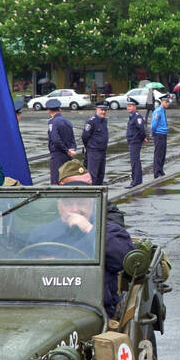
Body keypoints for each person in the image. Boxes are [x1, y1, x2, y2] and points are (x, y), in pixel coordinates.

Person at [34, 160, 136, 320]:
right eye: (68, 203)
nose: (75, 209)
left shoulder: (106, 229)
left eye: (81, 202)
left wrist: (89, 230)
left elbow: (125, 259)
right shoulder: (42, 233)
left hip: (96, 312)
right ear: (59, 205)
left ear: (92, 204)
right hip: (45, 308)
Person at [46, 102, 77, 185]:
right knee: (66, 178)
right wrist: (72, 150)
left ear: (49, 110)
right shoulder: (67, 121)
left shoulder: (52, 122)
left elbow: (55, 140)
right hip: (68, 155)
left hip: (57, 155)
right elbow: (72, 138)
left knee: (56, 180)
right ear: (59, 109)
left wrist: (66, 150)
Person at [80, 103, 109, 184]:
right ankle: (91, 193)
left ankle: (99, 192)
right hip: (94, 151)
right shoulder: (91, 121)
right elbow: (84, 136)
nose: (103, 112)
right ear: (97, 109)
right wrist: (90, 147)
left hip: (102, 151)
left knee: (101, 174)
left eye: (105, 110)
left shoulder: (104, 121)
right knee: (93, 174)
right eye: (101, 110)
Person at [125, 96, 147, 187]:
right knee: (134, 161)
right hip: (132, 141)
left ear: (135, 107)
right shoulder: (132, 116)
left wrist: (143, 138)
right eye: (128, 106)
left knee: (135, 161)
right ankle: (137, 179)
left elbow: (141, 129)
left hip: (135, 141)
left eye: (130, 106)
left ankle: (136, 181)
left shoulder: (137, 116)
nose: (128, 108)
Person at [150, 92, 170, 178]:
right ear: (162, 102)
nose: (167, 104)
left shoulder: (163, 111)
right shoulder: (158, 111)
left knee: (163, 153)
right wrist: (152, 132)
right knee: (158, 153)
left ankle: (161, 169)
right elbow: (154, 123)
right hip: (158, 134)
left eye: (168, 102)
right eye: (166, 102)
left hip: (163, 133)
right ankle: (156, 171)